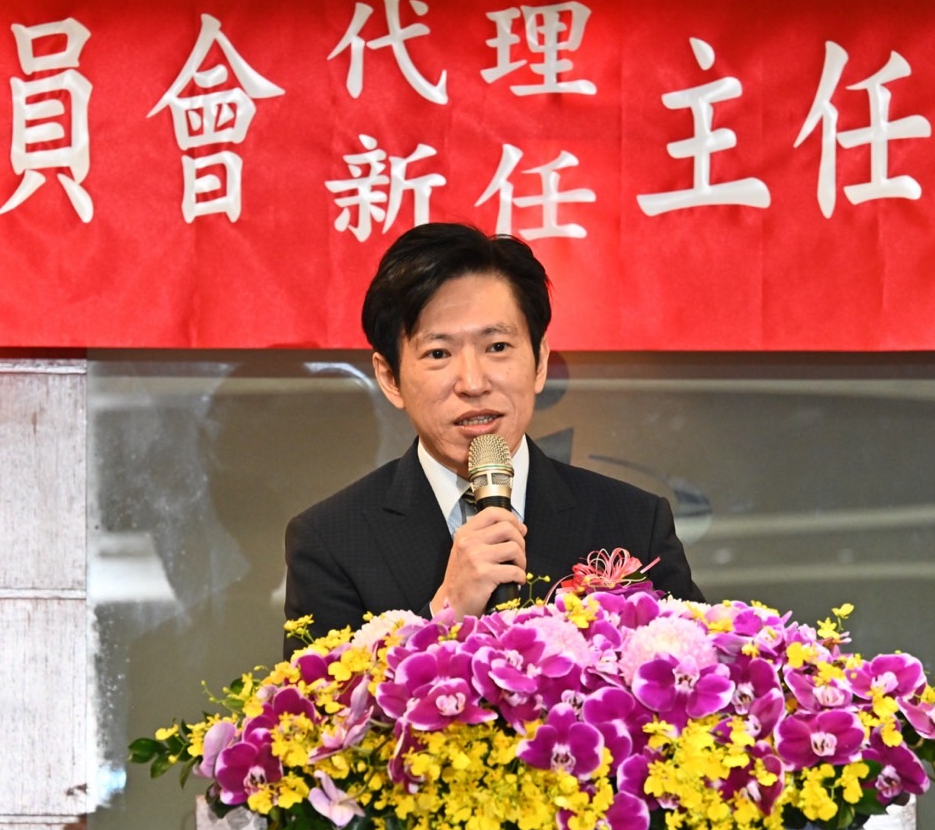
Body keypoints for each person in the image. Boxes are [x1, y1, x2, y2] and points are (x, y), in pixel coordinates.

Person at [284, 221, 703, 648]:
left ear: (540, 361)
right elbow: (325, 691)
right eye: (438, 353)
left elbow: (697, 669)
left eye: (497, 347)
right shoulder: (331, 541)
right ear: (390, 378)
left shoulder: (633, 521)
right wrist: (445, 613)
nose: (473, 382)